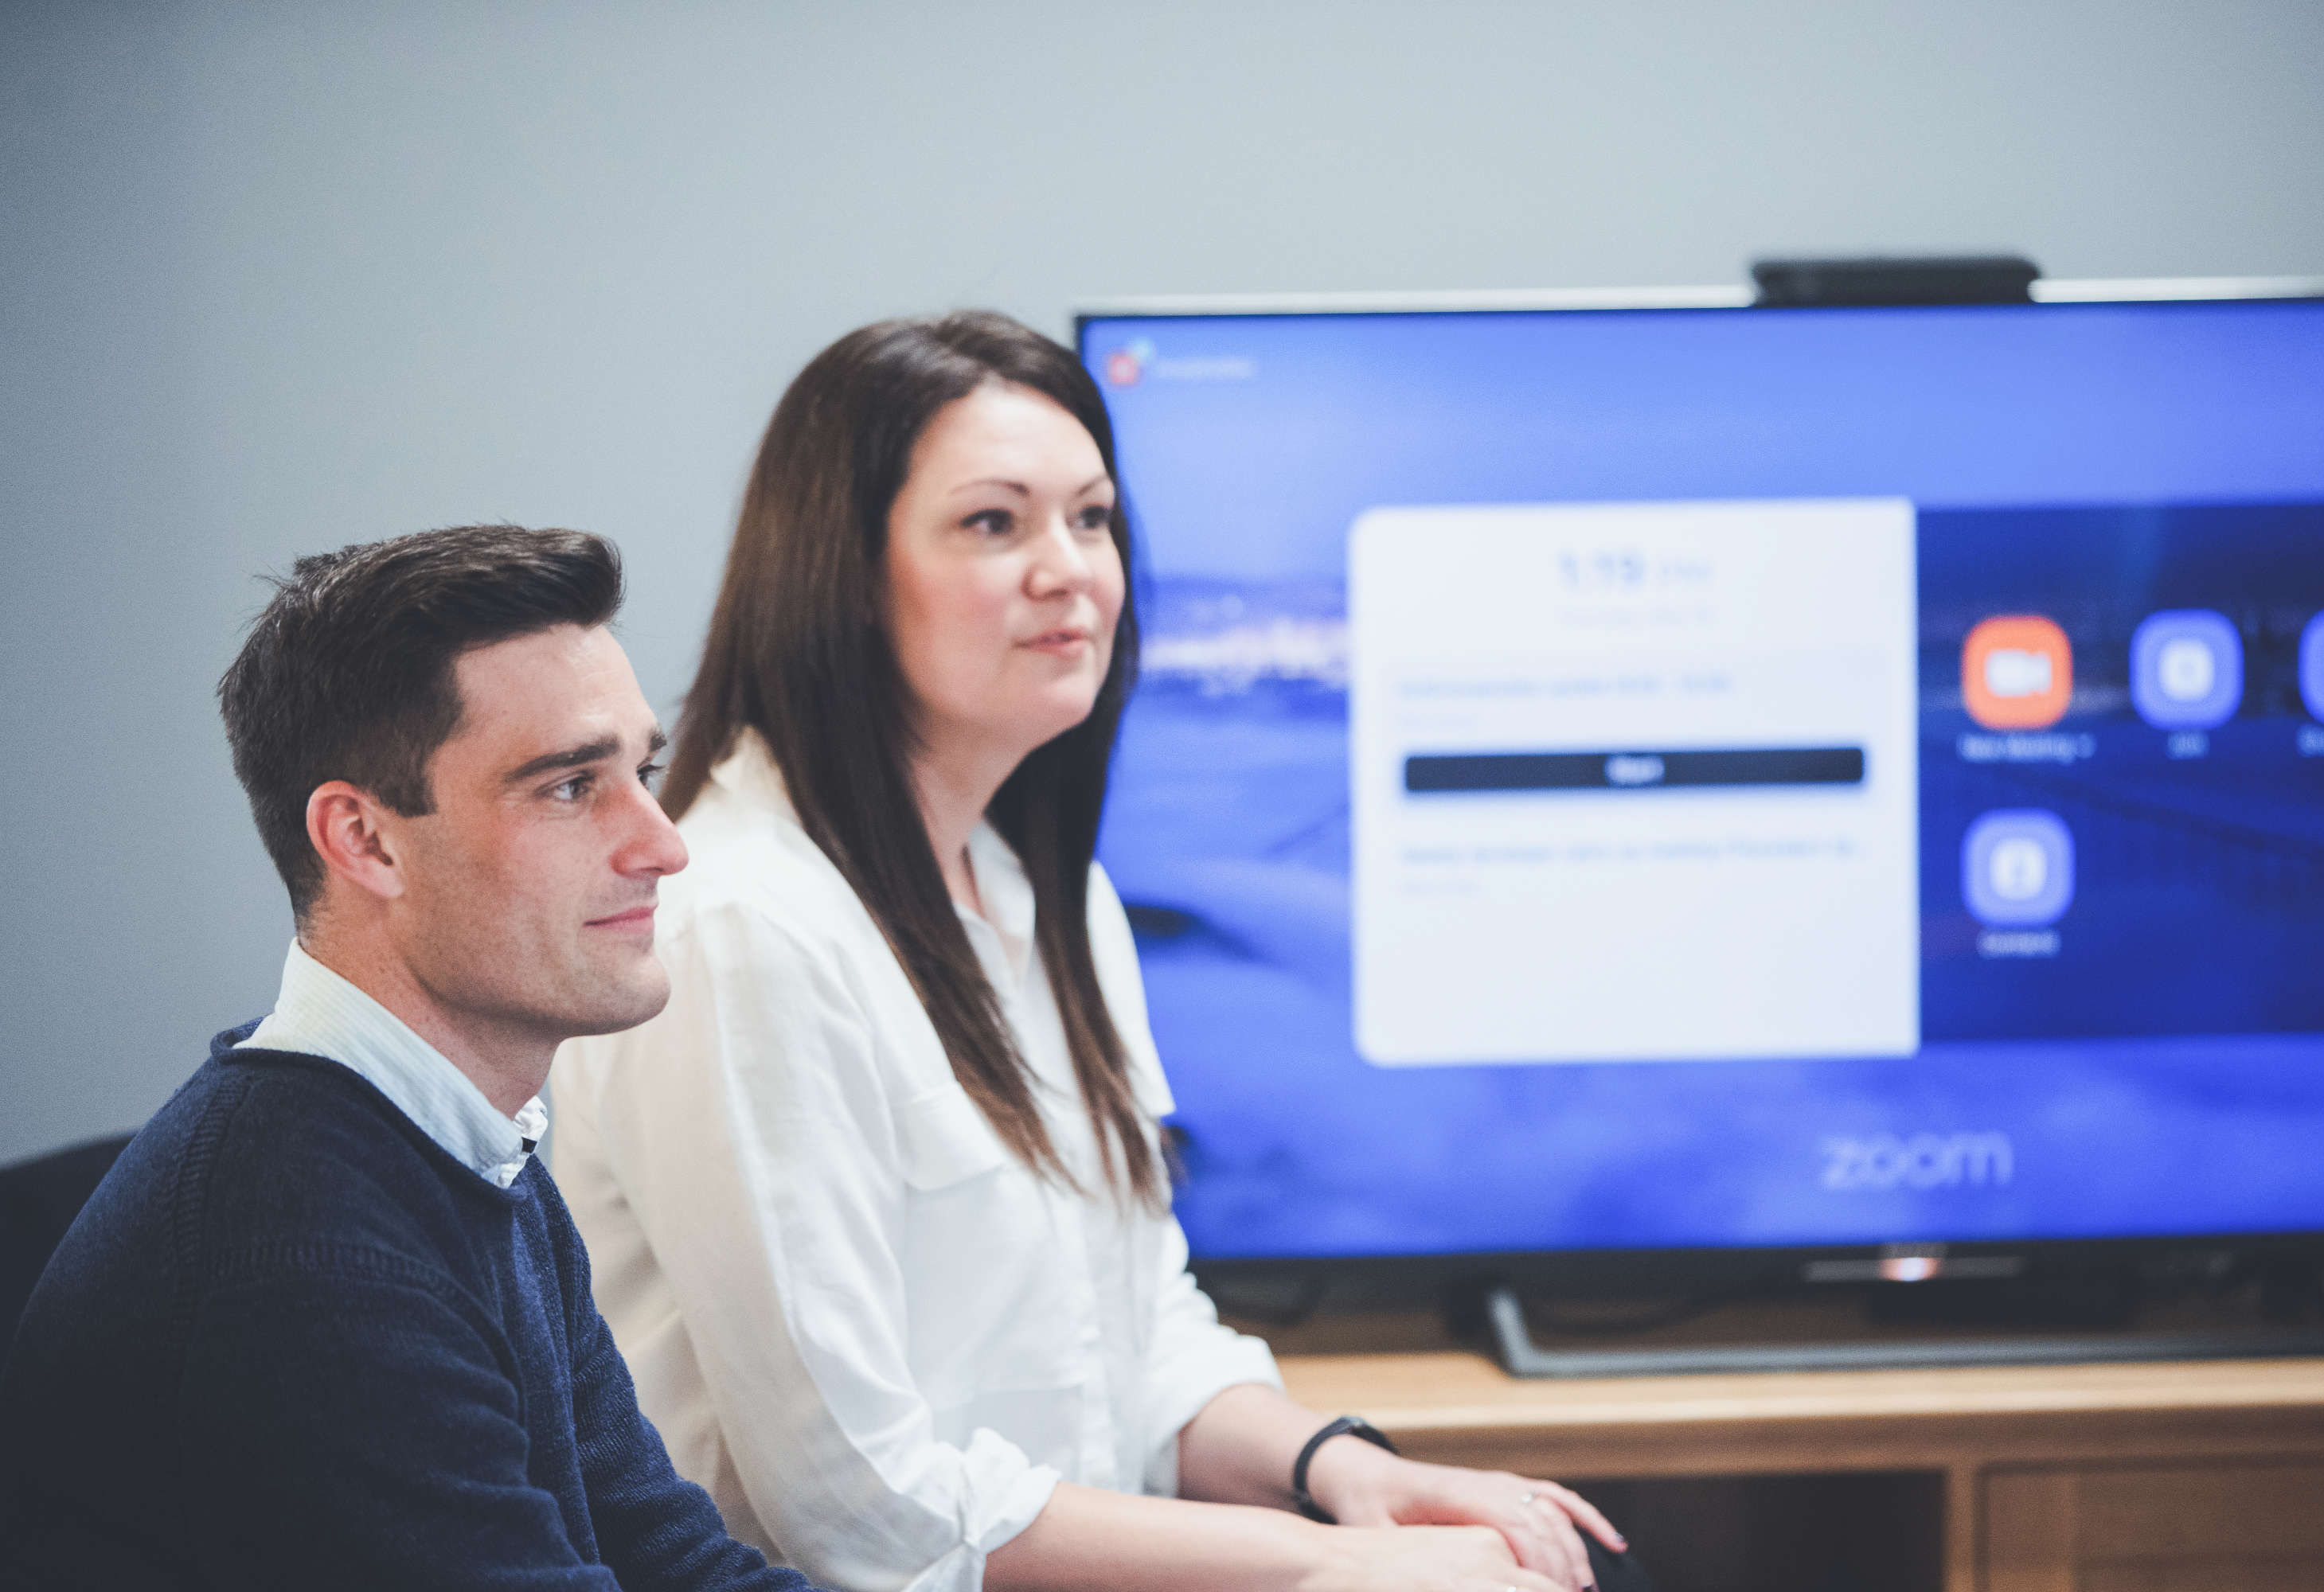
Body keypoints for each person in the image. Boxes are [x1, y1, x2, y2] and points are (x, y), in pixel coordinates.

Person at [549, 314, 1646, 1592]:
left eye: (1092, 518)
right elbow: (855, 1511)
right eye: (994, 524)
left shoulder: (1037, 898)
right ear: (843, 572)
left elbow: (1134, 1339)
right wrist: (1316, 1568)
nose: (1070, 569)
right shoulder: (745, 929)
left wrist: (1349, 1473)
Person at [0, 526, 825, 1591]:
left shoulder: (465, 1139)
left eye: (643, 770)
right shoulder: (304, 1262)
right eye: (572, 786)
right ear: (365, 841)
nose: (663, 844)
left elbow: (672, 1557)